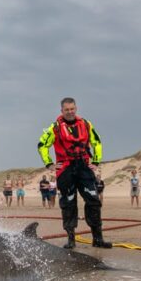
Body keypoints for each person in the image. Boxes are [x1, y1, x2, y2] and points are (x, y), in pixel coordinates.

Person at [37, 97, 111, 249]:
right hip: (65, 170)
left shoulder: (85, 124)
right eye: (66, 110)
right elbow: (42, 145)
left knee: (93, 201)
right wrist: (49, 164)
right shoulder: (55, 127)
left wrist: (96, 161)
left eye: (72, 109)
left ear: (76, 108)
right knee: (68, 203)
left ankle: (98, 239)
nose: (70, 112)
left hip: (84, 167)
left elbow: (96, 142)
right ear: (61, 111)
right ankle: (71, 239)